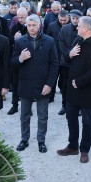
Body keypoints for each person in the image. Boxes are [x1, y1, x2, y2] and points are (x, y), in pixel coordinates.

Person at [57, 16, 91, 163]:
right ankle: (72, 146)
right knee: (70, 117)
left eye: (79, 26)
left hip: (87, 91)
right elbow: (65, 60)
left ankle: (84, 150)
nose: (76, 28)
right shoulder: (77, 41)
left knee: (87, 121)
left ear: (86, 29)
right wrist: (69, 55)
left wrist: (79, 82)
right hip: (72, 90)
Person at [12, 14, 58, 153]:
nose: (31, 28)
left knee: (42, 116)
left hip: (43, 84)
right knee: (24, 115)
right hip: (25, 84)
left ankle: (41, 140)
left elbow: (54, 64)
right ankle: (24, 139)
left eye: (34, 25)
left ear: (39, 26)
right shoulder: (20, 42)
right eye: (29, 25)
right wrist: (20, 58)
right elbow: (12, 62)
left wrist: (49, 84)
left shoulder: (49, 41)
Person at [58, 9, 82, 115]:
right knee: (65, 85)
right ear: (70, 18)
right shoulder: (64, 29)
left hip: (79, 62)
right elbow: (61, 44)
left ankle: (79, 106)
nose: (75, 21)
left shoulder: (83, 29)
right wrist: (69, 54)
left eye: (77, 18)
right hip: (66, 62)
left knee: (78, 84)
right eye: (73, 18)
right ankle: (64, 105)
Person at [7, 7, 28, 115]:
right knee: (15, 84)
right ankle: (14, 105)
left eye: (22, 17)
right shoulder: (14, 27)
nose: (20, 19)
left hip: (29, 58)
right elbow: (8, 41)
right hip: (16, 58)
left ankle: (28, 108)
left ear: (27, 16)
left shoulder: (31, 26)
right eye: (18, 17)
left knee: (28, 84)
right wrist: (14, 38)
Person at [46, 10, 70, 104]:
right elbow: (47, 40)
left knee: (64, 81)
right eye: (61, 20)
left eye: (65, 20)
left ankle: (65, 100)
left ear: (68, 18)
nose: (63, 22)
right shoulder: (52, 26)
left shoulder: (72, 27)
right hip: (54, 57)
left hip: (66, 58)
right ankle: (50, 97)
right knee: (52, 78)